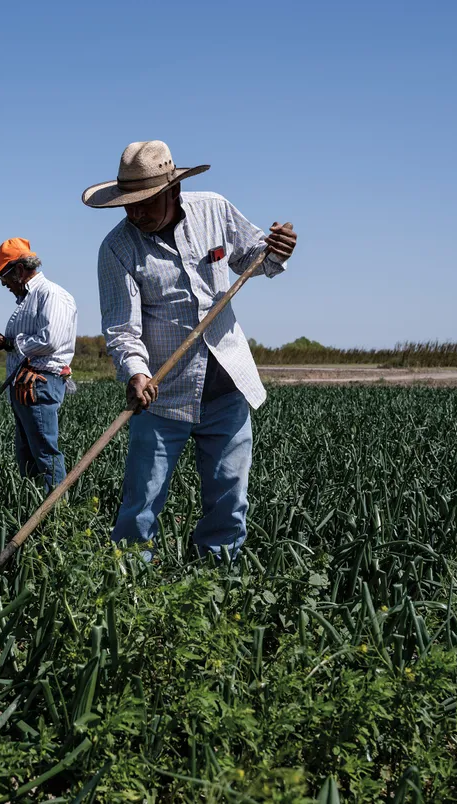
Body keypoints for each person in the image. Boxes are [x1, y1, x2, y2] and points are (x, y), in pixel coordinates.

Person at [83, 141, 297, 561]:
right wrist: (136, 374)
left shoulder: (213, 210)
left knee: (229, 498)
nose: (137, 213)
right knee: (141, 501)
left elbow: (255, 256)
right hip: (164, 396)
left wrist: (276, 251)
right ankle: (129, 581)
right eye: (129, 205)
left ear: (173, 192)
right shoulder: (117, 249)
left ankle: (216, 580)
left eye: (146, 202)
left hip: (226, 388)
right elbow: (122, 329)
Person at [0, 238, 77, 491]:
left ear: (19, 270)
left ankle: (54, 515)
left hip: (40, 383)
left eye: (5, 277)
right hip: (25, 384)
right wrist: (3, 341)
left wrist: (8, 344)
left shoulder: (50, 295)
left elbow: (50, 341)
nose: (4, 284)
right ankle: (32, 508)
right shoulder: (28, 300)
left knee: (44, 453)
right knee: (27, 454)